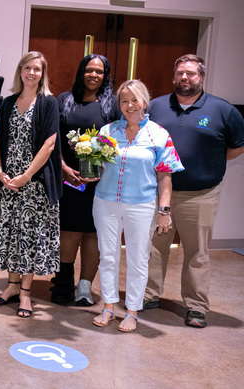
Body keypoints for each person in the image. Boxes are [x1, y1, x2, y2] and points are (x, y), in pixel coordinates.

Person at [144, 55, 244, 328]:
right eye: (180, 73)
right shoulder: (155, 106)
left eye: (190, 73)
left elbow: (235, 147)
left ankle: (196, 306)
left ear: (201, 77)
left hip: (200, 195)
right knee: (153, 247)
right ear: (174, 76)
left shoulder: (222, 110)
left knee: (197, 252)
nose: (184, 78)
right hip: (157, 192)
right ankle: (149, 295)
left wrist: (207, 166)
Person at [91, 79, 183, 332]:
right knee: (107, 256)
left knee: (138, 260)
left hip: (141, 206)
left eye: (134, 100)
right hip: (106, 202)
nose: (129, 105)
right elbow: (97, 166)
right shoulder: (107, 131)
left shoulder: (159, 134)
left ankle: (132, 311)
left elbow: (165, 177)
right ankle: (108, 306)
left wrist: (164, 211)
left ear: (144, 101)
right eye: (124, 100)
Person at [0, 51, 61, 318]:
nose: (31, 73)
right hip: (7, 182)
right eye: (27, 67)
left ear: (43, 73)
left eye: (37, 69)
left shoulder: (49, 103)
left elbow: (49, 144)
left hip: (34, 182)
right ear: (20, 71)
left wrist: (26, 176)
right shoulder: (7, 103)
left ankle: (26, 294)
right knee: (9, 236)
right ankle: (12, 286)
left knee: (28, 238)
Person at [51, 55, 121, 305]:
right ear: (81, 72)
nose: (93, 75)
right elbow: (54, 138)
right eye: (89, 70)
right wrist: (62, 167)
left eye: (99, 72)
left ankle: (84, 287)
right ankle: (62, 285)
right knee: (68, 232)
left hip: (101, 181)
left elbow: (118, 140)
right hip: (69, 178)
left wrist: (101, 168)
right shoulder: (64, 100)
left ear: (105, 76)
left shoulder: (112, 104)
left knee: (93, 234)